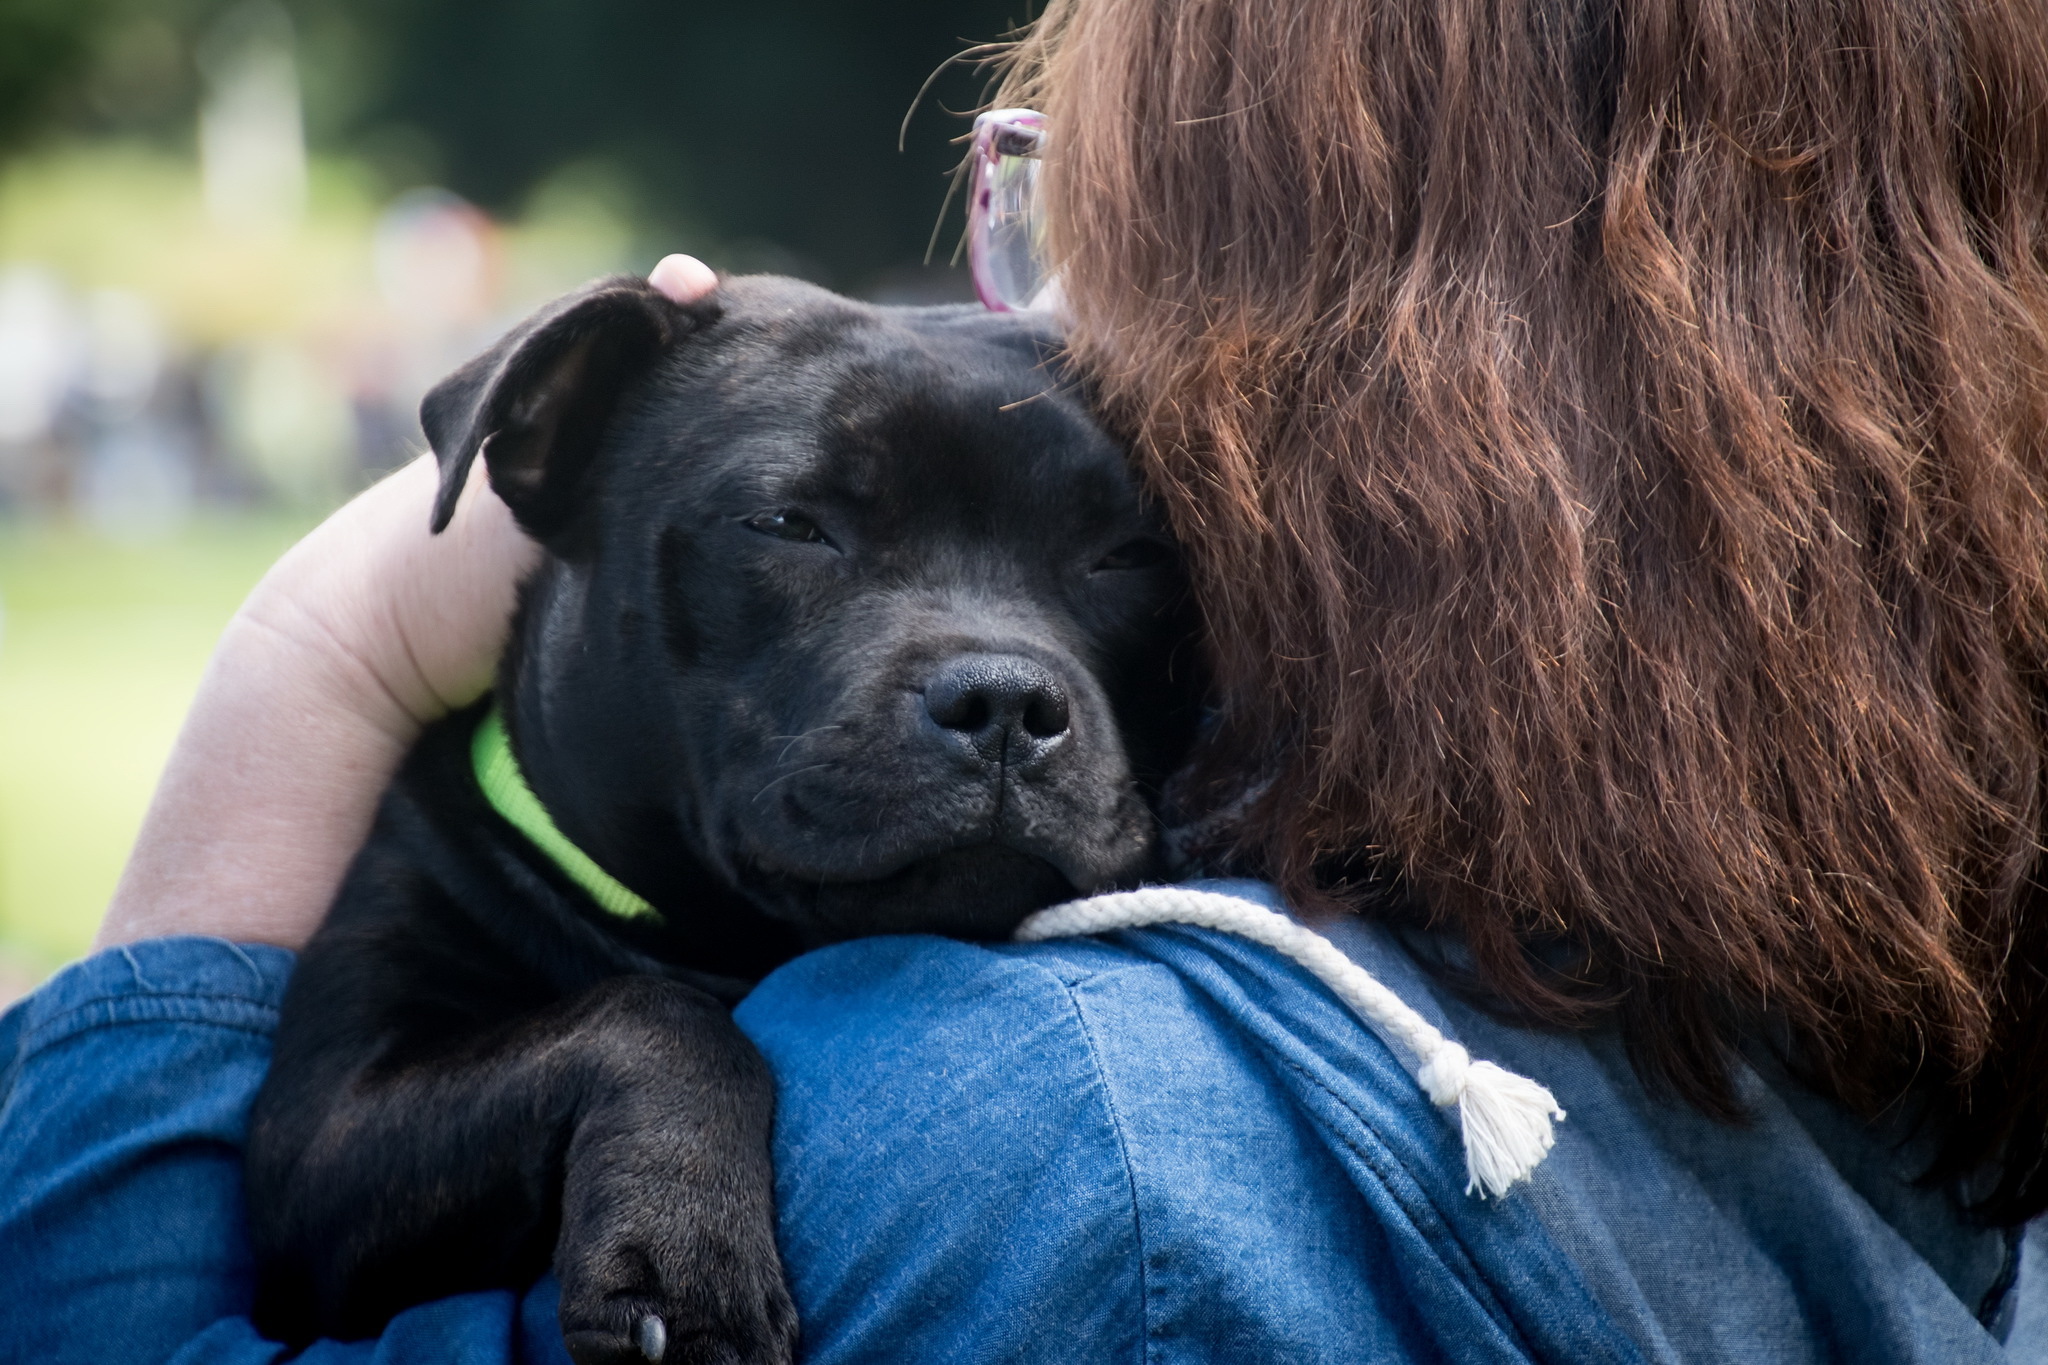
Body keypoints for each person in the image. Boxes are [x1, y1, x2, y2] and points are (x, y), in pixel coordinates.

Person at [6, 0, 2048, 1358]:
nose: (1040, 308)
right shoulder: (1884, 1008)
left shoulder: (1059, 1148)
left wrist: (317, 653)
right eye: (1018, 206)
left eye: (1093, 231)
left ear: (1432, 402)